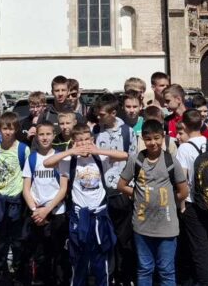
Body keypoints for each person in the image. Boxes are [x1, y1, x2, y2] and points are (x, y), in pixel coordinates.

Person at [44, 122, 128, 286]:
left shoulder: (99, 157)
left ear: (92, 139)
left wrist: (98, 150)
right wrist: (70, 151)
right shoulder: (70, 160)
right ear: (74, 141)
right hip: (79, 216)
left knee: (101, 257)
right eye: (80, 140)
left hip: (100, 215)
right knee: (79, 258)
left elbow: (124, 155)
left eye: (87, 139)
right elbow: (47, 163)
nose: (84, 144)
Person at [118, 118, 189, 286]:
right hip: (142, 226)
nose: (153, 143)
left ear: (163, 137)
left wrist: (169, 202)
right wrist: (139, 195)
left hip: (167, 226)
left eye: (157, 138)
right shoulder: (136, 160)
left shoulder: (172, 162)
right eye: (148, 139)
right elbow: (121, 185)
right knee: (144, 268)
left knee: (166, 270)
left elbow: (184, 191)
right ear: (143, 139)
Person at [174, 109, 208, 286]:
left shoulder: (184, 149)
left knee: (198, 250)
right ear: (202, 124)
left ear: (185, 126)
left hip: (193, 205)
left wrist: (181, 205)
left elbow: (182, 181)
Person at [92, 93, 135, 286]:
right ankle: (108, 278)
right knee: (105, 240)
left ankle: (124, 276)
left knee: (124, 240)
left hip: (122, 192)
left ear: (113, 112)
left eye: (102, 114)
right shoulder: (96, 131)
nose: (99, 118)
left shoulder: (127, 132)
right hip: (101, 193)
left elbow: (131, 158)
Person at [22, 121, 70, 286]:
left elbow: (63, 188)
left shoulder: (60, 156)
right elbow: (26, 189)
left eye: (48, 134)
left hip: (57, 212)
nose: (44, 138)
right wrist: (36, 210)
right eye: (41, 134)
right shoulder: (32, 158)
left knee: (58, 255)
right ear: (36, 136)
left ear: (54, 135)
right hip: (37, 214)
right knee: (40, 255)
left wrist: (48, 210)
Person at [0, 112, 28, 286]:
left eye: (11, 129)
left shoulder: (23, 149)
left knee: (18, 244)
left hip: (17, 202)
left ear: (16, 129)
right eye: (4, 129)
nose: (7, 133)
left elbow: (27, 178)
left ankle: (18, 278)